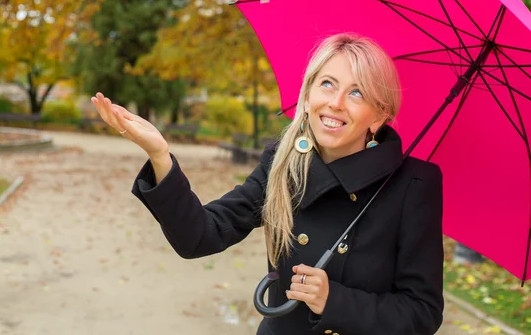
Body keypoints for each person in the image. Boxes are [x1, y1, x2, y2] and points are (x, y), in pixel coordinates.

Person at [90, 33, 444, 335]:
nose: (335, 104)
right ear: (307, 97)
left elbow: (422, 313)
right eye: (327, 84)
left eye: (357, 94)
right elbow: (200, 236)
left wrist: (335, 301)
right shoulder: (283, 164)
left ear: (380, 115)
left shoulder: (413, 185)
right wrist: (160, 155)